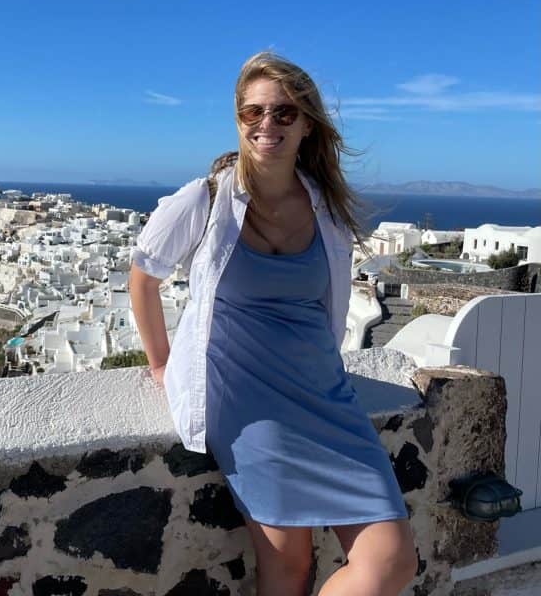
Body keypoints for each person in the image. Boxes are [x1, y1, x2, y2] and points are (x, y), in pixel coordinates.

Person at [128, 51, 418, 596]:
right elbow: (144, 276)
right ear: (237, 120)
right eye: (252, 113)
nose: (266, 125)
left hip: (328, 398)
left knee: (391, 561)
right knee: (288, 568)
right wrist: (162, 363)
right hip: (250, 407)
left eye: (284, 113)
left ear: (307, 123)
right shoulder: (206, 198)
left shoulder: (325, 206)